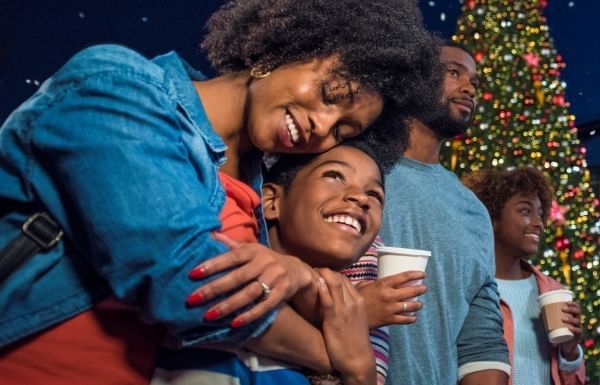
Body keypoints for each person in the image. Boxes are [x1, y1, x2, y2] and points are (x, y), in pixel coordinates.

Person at [0, 0, 441, 383]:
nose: (322, 127)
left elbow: (258, 290)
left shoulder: (254, 176)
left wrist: (303, 278)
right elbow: (185, 288)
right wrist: (336, 356)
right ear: (287, 48)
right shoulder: (119, 87)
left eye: (343, 130)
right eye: (330, 94)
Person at [152, 141, 427, 385]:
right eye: (334, 175)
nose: (361, 198)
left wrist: (360, 371)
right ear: (271, 200)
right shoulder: (230, 282)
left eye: (375, 195)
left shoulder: (355, 324)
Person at [378, 42, 511, 385]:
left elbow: (480, 340)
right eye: (454, 73)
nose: (469, 88)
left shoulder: (473, 211)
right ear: (413, 78)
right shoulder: (351, 173)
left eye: (475, 83)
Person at [462, 167, 586, 385]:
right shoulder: (469, 288)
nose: (539, 223)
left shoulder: (551, 290)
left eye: (540, 213)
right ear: (491, 217)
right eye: (525, 211)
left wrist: (570, 351)